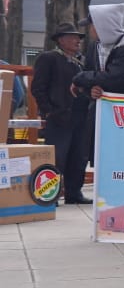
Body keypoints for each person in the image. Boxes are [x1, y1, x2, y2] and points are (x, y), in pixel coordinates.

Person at [31, 22, 92, 204]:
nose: (77, 41)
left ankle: (74, 193)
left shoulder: (81, 61)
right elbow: (38, 88)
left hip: (80, 116)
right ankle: (52, 194)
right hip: (59, 116)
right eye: (73, 37)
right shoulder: (49, 58)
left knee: (79, 156)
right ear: (61, 40)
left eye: (78, 38)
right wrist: (49, 111)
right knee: (57, 157)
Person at [73, 3, 124, 97]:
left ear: (101, 27)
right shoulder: (95, 47)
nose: (89, 30)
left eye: (92, 25)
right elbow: (89, 73)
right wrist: (91, 90)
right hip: (102, 108)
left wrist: (81, 78)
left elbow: (114, 78)